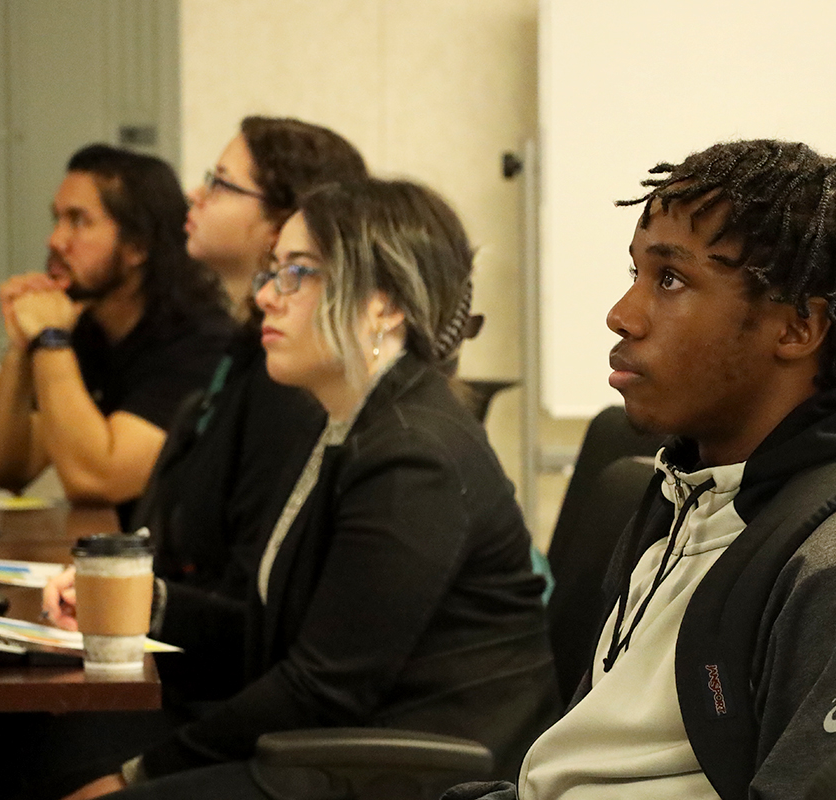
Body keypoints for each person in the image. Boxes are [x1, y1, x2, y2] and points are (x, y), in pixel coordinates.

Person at [452, 139, 836, 800]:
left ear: (798, 327)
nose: (622, 314)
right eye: (635, 274)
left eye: (669, 279)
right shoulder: (687, 492)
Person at [53, 178, 562, 799]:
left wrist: (139, 775)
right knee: (56, 745)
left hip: (417, 777)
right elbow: (281, 633)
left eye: (298, 272)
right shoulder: (349, 422)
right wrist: (146, 603)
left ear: (383, 304)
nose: (266, 295)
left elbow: (321, 687)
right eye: (273, 271)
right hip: (344, 748)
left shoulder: (413, 454)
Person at [129, 116, 367, 603]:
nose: (194, 194)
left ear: (283, 224)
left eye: (220, 182)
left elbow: (250, 594)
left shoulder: (292, 385)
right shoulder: (244, 352)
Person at [0, 145, 233, 526]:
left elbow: (99, 480)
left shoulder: (201, 343)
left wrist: (51, 338)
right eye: (56, 219)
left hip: (178, 576)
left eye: (78, 221)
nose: (55, 241)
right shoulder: (90, 331)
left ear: (138, 246)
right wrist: (21, 346)